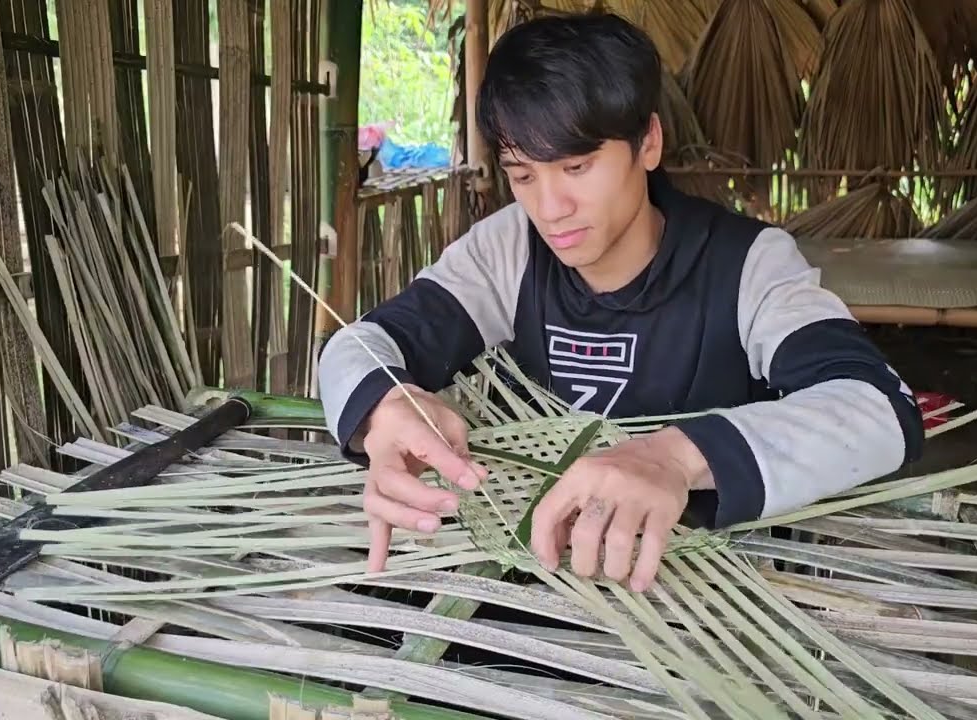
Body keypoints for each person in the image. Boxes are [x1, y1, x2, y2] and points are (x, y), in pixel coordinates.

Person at [317, 12, 923, 592]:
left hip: (714, 589)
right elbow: (361, 342)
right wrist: (386, 406)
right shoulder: (511, 247)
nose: (550, 208)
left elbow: (879, 409)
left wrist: (676, 457)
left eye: (577, 166)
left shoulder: (747, 263)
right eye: (523, 175)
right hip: (550, 578)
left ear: (648, 143)